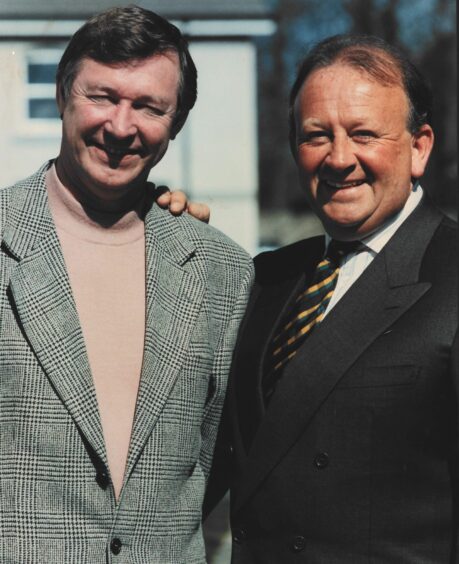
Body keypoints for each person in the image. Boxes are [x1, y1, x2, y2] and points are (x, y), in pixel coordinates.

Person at [0, 6, 253, 563]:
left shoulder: (221, 271)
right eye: (103, 96)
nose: (120, 126)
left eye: (148, 106)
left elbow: (209, 464)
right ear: (64, 94)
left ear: (176, 123)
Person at [193, 34, 458, 562]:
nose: (339, 159)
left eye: (363, 134)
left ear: (419, 146)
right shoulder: (268, 277)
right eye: (317, 135)